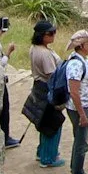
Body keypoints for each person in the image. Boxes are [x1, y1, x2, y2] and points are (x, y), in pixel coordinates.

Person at [18, 19, 63, 163]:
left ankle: (42, 151)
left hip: (39, 86)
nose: (53, 36)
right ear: (42, 36)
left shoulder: (35, 48)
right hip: (47, 89)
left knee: (43, 122)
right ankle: (49, 157)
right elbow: (52, 75)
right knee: (52, 124)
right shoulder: (44, 54)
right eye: (50, 33)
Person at [61, 29, 88, 174]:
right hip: (79, 109)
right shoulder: (76, 64)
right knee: (81, 143)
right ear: (82, 45)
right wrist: (82, 114)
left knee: (80, 141)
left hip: (85, 106)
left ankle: (78, 172)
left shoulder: (84, 60)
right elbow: (74, 91)